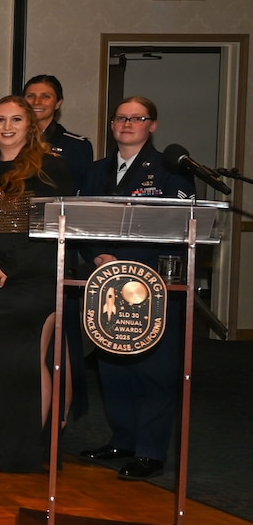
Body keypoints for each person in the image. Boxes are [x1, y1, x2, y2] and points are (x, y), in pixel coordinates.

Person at [76, 96, 193, 482]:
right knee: (114, 367)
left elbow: (182, 229)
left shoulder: (171, 170)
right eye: (120, 118)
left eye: (137, 118)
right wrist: (98, 256)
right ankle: (122, 439)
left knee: (154, 371)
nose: (127, 124)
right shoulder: (95, 172)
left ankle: (151, 451)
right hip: (107, 281)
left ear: (153, 126)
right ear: (112, 125)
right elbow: (80, 225)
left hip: (153, 284)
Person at [0, 96, 76, 473]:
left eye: (17, 119)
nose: (7, 127)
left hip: (31, 280)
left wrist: (5, 265)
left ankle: (27, 449)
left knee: (26, 364)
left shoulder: (51, 169)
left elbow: (50, 230)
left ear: (31, 126)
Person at [22, 74, 95, 189]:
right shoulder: (10, 141)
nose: (36, 102)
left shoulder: (77, 146)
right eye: (30, 96)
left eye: (45, 96)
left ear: (58, 103)